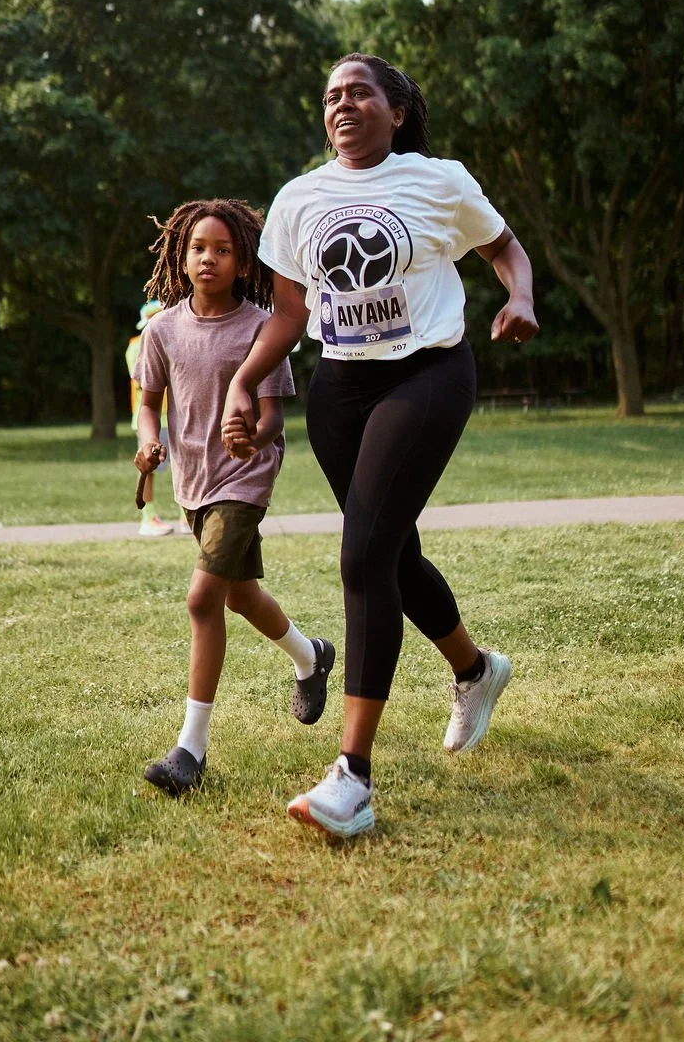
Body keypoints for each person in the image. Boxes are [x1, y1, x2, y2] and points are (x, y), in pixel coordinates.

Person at [222, 53, 539, 837]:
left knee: (362, 553)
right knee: (390, 552)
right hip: (340, 388)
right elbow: (290, 317)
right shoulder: (299, 198)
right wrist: (248, 384)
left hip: (427, 372)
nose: (343, 104)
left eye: (359, 92)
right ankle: (475, 669)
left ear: (396, 111)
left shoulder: (439, 180)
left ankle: (352, 780)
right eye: (331, 95)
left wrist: (520, 294)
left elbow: (505, 248)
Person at [133, 198, 336, 796]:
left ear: (245, 262)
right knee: (242, 595)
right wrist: (148, 446)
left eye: (223, 250)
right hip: (192, 484)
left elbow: (275, 416)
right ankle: (310, 657)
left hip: (244, 481)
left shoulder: (258, 329)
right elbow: (149, 406)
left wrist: (254, 436)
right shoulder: (163, 330)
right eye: (199, 248)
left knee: (203, 600)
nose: (209, 259)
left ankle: (189, 751)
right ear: (182, 255)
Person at [126, 300, 175, 537]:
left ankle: (187, 516)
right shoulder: (140, 344)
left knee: (180, 468)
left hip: (172, 416)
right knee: (151, 468)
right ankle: (148, 517)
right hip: (155, 418)